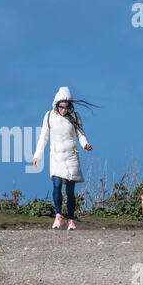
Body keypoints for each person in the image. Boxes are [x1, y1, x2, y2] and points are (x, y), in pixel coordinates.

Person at [33, 87, 93, 230]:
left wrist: (85, 144)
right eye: (61, 107)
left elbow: (81, 134)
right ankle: (58, 215)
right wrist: (37, 155)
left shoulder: (76, 117)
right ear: (57, 105)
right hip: (56, 157)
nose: (64, 110)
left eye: (66, 107)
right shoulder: (49, 116)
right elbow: (43, 137)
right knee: (57, 185)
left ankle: (71, 220)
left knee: (70, 191)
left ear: (70, 106)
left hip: (71, 157)